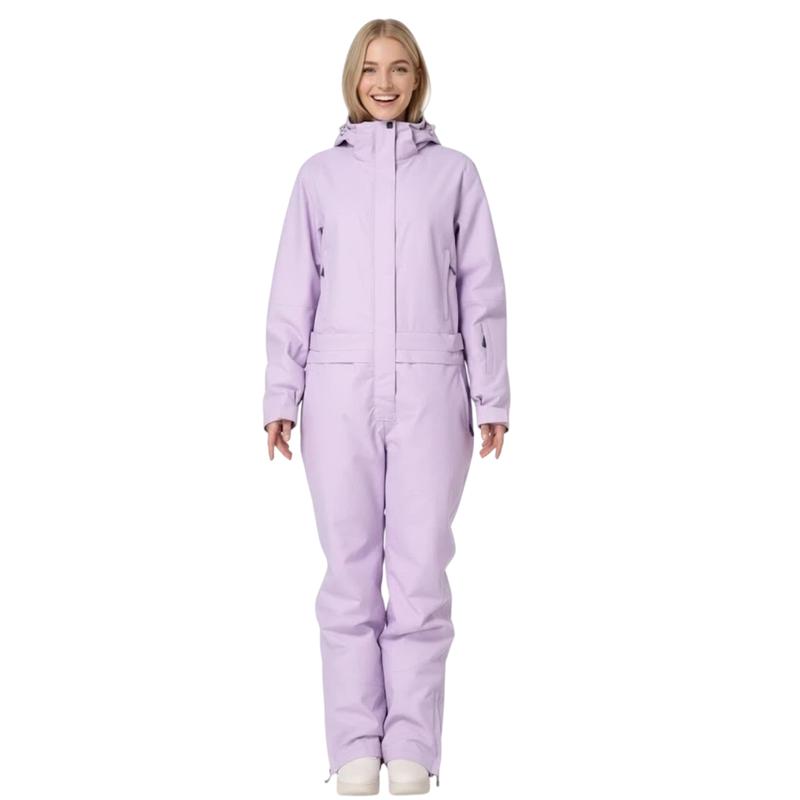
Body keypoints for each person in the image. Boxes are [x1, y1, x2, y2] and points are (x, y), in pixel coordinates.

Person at [262, 18, 510, 796]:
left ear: (418, 78)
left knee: (420, 572)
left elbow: (482, 288)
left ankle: (411, 746)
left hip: (433, 386)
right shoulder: (318, 177)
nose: (384, 82)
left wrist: (492, 393)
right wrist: (280, 392)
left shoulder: (456, 175)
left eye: (400, 68)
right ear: (353, 77)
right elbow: (293, 291)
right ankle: (353, 748)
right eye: (371, 68)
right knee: (349, 572)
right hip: (337, 388)